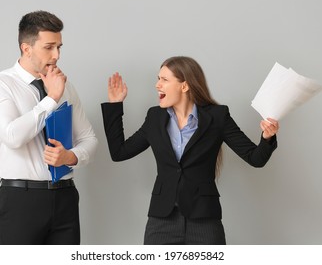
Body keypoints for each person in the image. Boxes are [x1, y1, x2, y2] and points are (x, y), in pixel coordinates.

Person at [101, 56, 279, 245]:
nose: (157, 85)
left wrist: (267, 138)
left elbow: (255, 158)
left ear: (184, 86)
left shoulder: (218, 117)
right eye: (158, 78)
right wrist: (115, 106)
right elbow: (119, 152)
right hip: (162, 220)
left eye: (164, 80)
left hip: (204, 220)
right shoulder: (155, 117)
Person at [0, 10, 98, 245]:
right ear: (27, 48)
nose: (56, 55)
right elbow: (12, 136)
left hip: (65, 196)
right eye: (49, 47)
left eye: (59, 47)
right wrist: (52, 99)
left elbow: (89, 139)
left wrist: (71, 156)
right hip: (21, 200)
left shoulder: (65, 86)